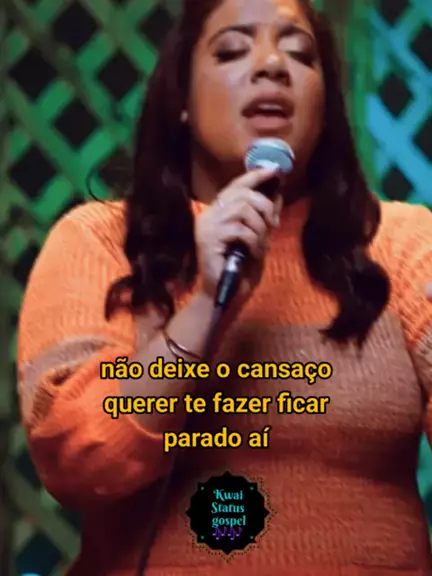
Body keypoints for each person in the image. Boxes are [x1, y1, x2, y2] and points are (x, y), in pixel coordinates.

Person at [17, 0, 432, 574]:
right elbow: (79, 458)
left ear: (324, 109)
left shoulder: (402, 243)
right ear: (182, 99)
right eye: (233, 50)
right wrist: (207, 307)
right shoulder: (102, 241)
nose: (272, 65)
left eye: (300, 54)